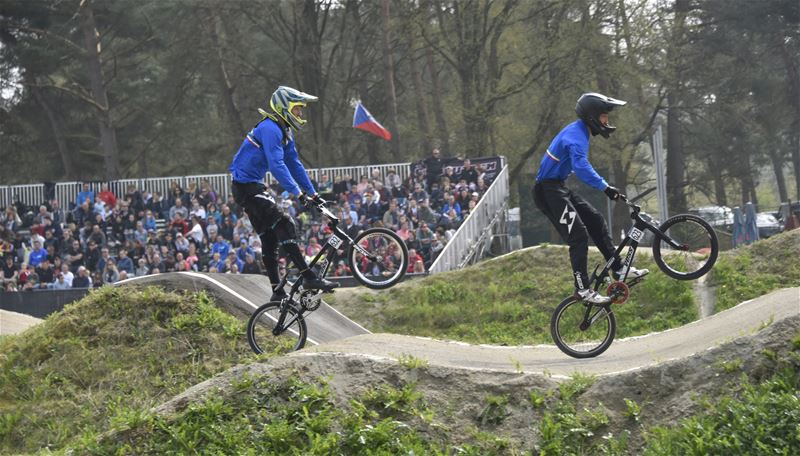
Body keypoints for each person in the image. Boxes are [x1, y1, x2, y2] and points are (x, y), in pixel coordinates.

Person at [533, 92, 648, 304]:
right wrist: (606, 188)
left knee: (596, 220)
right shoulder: (576, 137)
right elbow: (582, 168)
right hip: (547, 192)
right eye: (604, 117)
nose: (607, 121)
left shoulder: (580, 131)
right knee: (578, 235)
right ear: (592, 116)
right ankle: (582, 289)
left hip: (558, 186)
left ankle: (618, 268)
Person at [228, 85, 339, 301]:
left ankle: (276, 292)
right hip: (246, 187)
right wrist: (298, 194)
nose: (300, 113)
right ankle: (308, 276)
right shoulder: (270, 128)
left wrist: (313, 193)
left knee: (269, 238)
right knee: (285, 223)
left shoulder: (284, 130)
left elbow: (294, 164)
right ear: (284, 107)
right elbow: (277, 165)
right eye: (297, 109)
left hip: (252, 186)